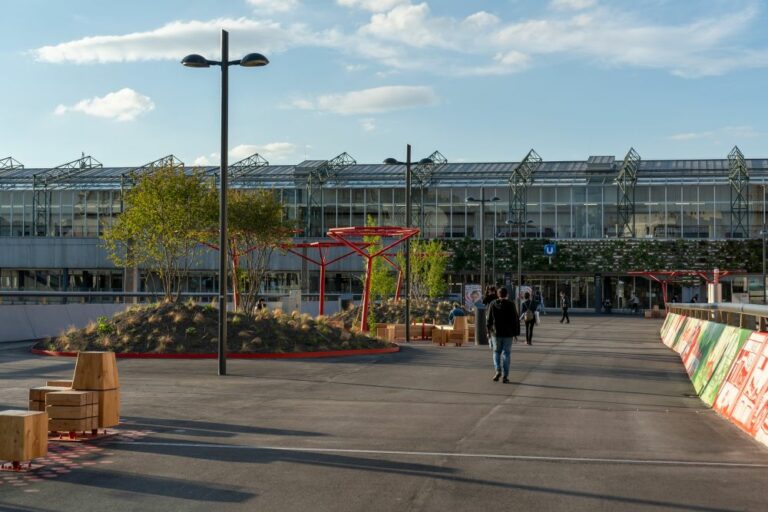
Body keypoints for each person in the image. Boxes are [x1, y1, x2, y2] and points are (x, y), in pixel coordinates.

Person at [486, 287, 519, 383]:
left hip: (495, 333)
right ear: (507, 294)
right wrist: (515, 333)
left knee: (496, 352)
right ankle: (505, 375)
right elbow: (515, 319)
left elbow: (489, 319)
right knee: (506, 353)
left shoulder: (492, 304)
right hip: (508, 333)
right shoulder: (511, 304)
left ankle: (497, 370)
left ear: (498, 294)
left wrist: (488, 331)